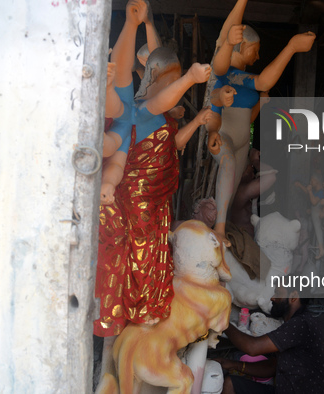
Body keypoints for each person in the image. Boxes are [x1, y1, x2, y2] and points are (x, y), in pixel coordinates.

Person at [93, 0, 211, 337]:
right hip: (136, 198)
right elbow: (117, 134)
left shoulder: (143, 111)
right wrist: (188, 78)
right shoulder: (136, 109)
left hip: (154, 198)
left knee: (153, 251)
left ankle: (146, 308)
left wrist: (139, 25)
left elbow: (158, 101)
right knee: (135, 253)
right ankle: (133, 310)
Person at [205, 0, 316, 244]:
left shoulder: (243, 78)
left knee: (231, 192)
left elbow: (254, 104)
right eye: (254, 49)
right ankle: (219, 230)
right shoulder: (224, 74)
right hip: (223, 135)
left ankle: (224, 229)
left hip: (242, 140)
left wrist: (260, 105)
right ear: (240, 46)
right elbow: (224, 62)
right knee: (226, 166)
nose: (257, 56)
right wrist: (291, 47)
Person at [215, 285, 324, 394]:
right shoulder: (296, 322)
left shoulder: (301, 324)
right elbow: (273, 366)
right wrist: (234, 365)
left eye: (278, 293)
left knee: (230, 384)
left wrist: (223, 322)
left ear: (293, 296)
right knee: (230, 383)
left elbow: (252, 347)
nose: (272, 298)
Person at [229, 148, 277, 237]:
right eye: (250, 169)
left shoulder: (249, 197)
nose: (252, 174)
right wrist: (255, 160)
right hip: (245, 243)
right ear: (240, 172)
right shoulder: (240, 193)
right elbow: (271, 177)